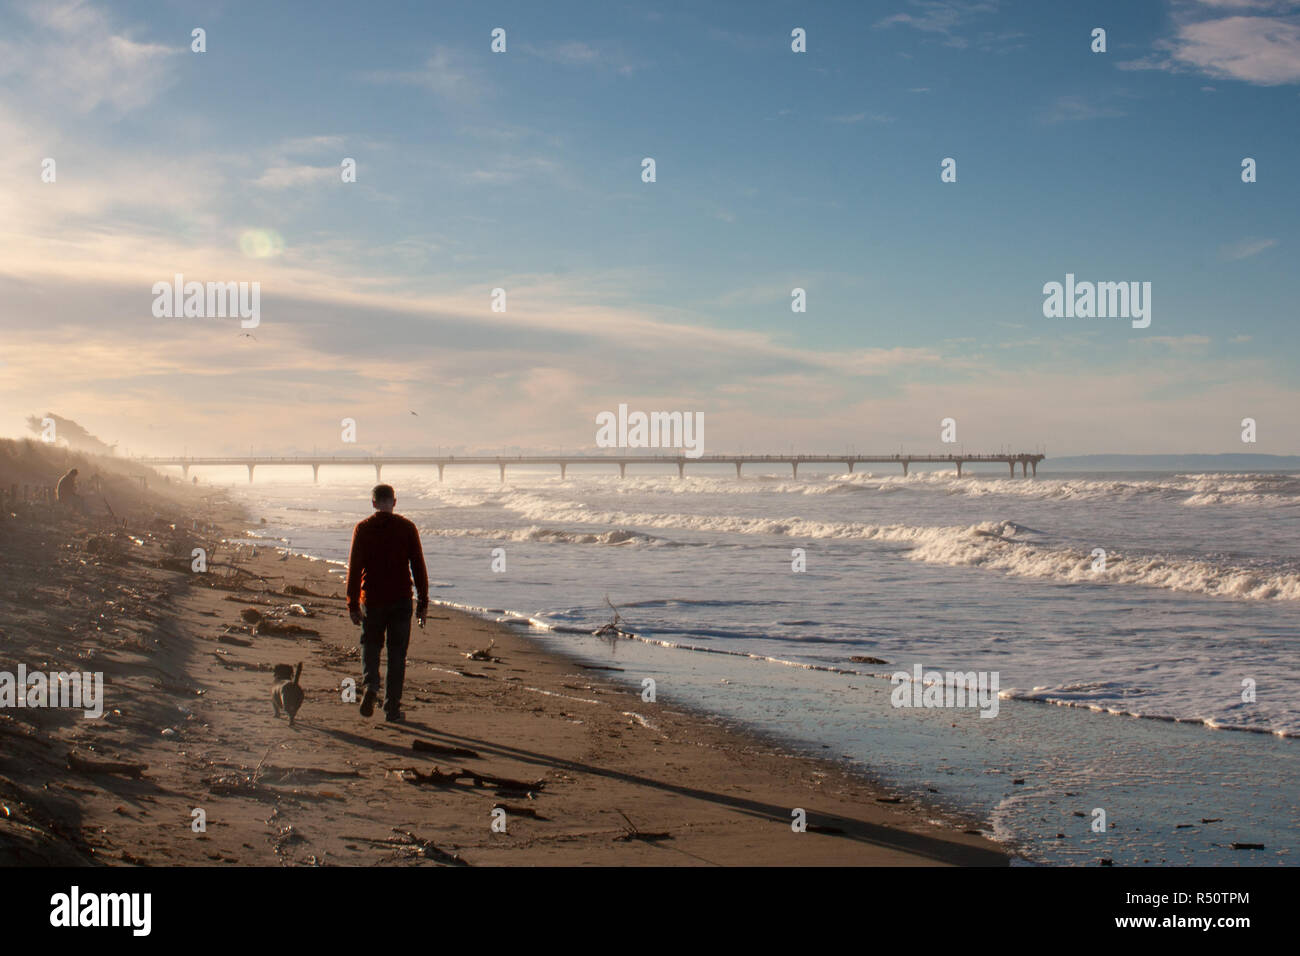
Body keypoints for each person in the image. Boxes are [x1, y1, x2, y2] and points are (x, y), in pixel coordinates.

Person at [346, 484, 429, 722]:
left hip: (372, 599)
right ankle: (391, 709)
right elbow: (419, 567)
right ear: (394, 502)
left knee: (370, 646)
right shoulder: (407, 528)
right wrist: (423, 601)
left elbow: (354, 570)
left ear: (373, 503)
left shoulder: (363, 528)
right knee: (397, 655)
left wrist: (352, 604)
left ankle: (371, 684)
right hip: (401, 599)